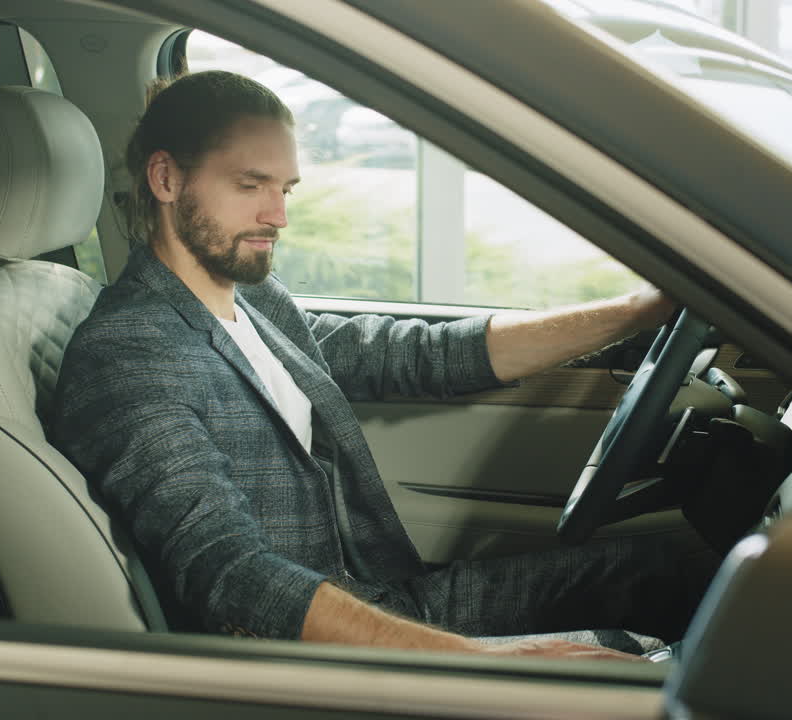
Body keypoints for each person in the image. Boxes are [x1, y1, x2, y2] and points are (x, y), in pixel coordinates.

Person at [54, 71, 715, 661]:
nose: (278, 215)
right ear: (167, 179)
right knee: (658, 669)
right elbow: (231, 574)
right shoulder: (130, 353)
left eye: (285, 188)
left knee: (667, 570)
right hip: (313, 663)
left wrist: (635, 311)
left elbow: (417, 355)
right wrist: (484, 666)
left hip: (384, 597)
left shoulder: (255, 299)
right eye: (250, 186)